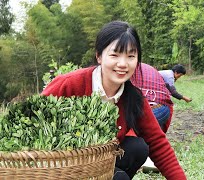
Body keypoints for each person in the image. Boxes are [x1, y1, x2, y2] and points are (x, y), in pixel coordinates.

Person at [42, 21, 186, 180]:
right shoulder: (69, 85)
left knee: (138, 148)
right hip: (61, 165)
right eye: (114, 55)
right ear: (99, 56)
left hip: (99, 159)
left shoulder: (133, 97)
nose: (123, 64)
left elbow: (158, 144)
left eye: (131, 56)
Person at [131, 63, 173, 133]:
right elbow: (170, 89)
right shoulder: (148, 68)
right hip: (164, 108)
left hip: (151, 109)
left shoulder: (125, 68)